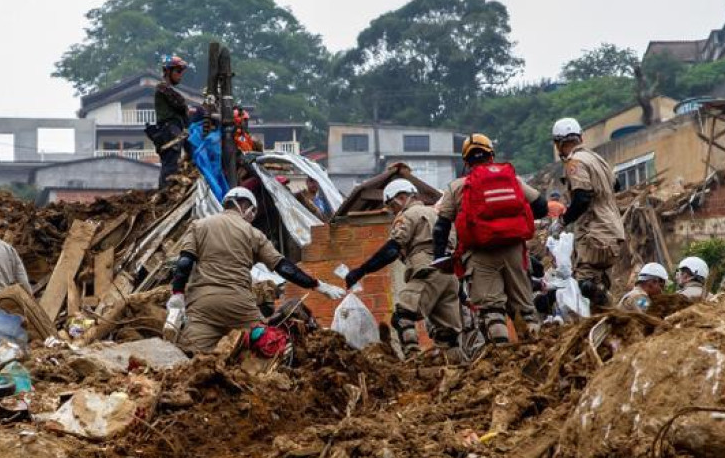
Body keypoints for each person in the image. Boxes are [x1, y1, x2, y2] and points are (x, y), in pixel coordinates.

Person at [167, 187, 345, 353]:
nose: (252, 216)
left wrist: (177, 296)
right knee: (271, 342)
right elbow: (284, 267)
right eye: (252, 211)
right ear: (243, 205)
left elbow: (184, 263)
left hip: (201, 305)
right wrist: (317, 285)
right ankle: (255, 337)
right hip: (238, 304)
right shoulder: (253, 234)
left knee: (190, 358)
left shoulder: (199, 226)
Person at [431, 134, 548, 345]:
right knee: (526, 311)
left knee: (493, 313)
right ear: (491, 156)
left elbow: (441, 226)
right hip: (514, 252)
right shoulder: (512, 181)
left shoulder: (456, 187)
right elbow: (541, 206)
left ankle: (502, 365)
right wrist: (512, 224)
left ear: (466, 162)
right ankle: (534, 353)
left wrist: (440, 255)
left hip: (478, 254)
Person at [343, 179, 461, 356]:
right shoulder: (439, 215)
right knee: (448, 335)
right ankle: (460, 372)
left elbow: (392, 249)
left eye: (392, 205)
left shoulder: (408, 215)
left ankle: (412, 361)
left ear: (402, 197)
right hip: (450, 278)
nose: (392, 211)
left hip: (426, 271)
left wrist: (362, 270)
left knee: (402, 316)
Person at [552, 118, 626, 307]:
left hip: (594, 232)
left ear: (559, 143)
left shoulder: (574, 162)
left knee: (585, 284)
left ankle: (611, 309)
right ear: (580, 137)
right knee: (601, 282)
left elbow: (582, 198)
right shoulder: (598, 159)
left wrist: (562, 221)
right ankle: (611, 322)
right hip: (614, 231)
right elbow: (617, 184)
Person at [152, 55, 191, 188]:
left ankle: (168, 189)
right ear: (168, 72)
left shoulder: (167, 90)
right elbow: (181, 104)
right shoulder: (162, 88)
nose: (180, 75)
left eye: (181, 72)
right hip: (169, 131)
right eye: (178, 71)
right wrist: (187, 109)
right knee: (170, 165)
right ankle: (165, 193)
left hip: (173, 130)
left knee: (175, 163)